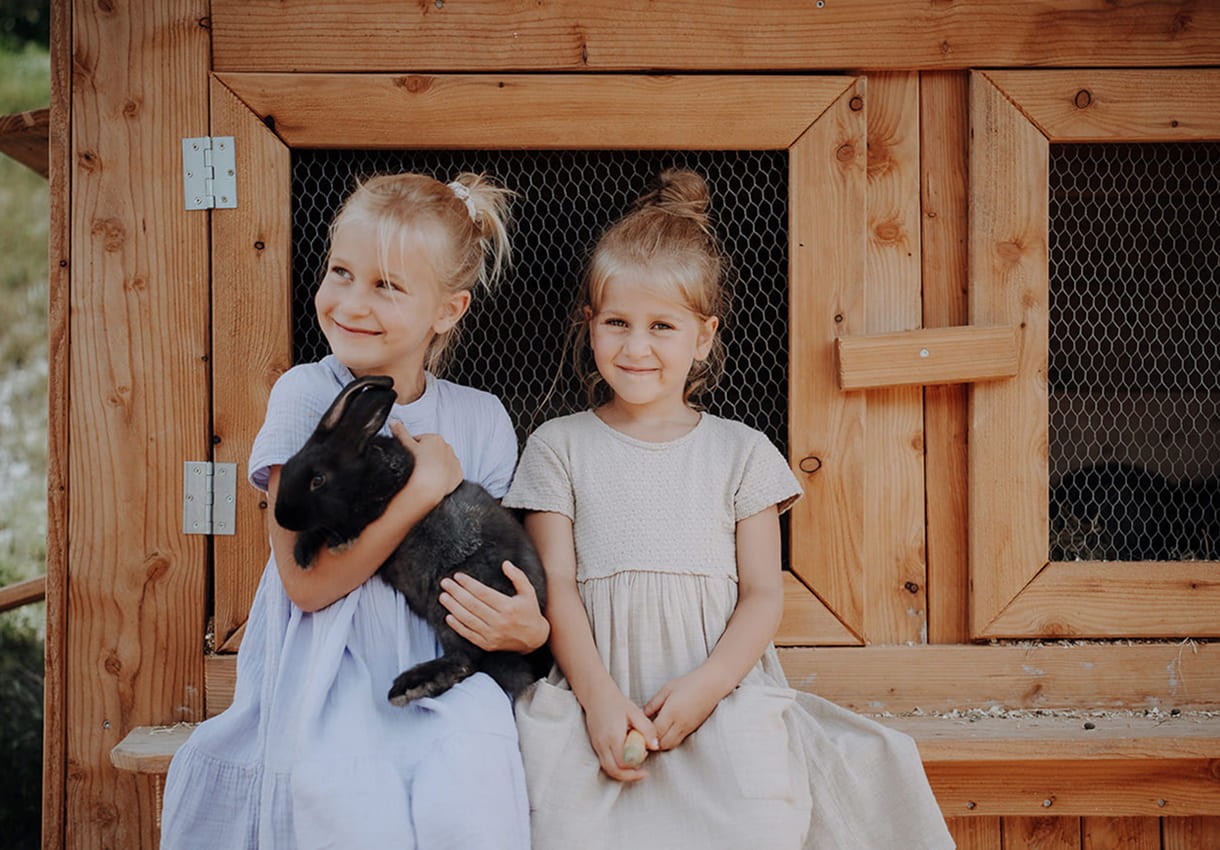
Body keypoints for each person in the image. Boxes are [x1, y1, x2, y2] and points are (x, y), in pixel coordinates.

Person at [503, 169, 955, 850]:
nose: (637, 347)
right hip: (598, 691)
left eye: (663, 326)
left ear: (704, 336)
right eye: (618, 323)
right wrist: (597, 699)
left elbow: (761, 596)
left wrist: (709, 687)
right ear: (590, 325)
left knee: (757, 816)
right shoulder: (557, 447)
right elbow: (557, 587)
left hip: (718, 693)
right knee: (565, 818)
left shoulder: (742, 453)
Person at [161, 172, 550, 850]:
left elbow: (491, 568)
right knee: (344, 806)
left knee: (475, 793)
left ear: (448, 310)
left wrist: (527, 627)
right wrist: (422, 492)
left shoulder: (482, 420)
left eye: (387, 286)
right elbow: (307, 585)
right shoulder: (307, 393)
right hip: (330, 673)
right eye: (341, 271)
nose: (351, 302)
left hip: (443, 672)